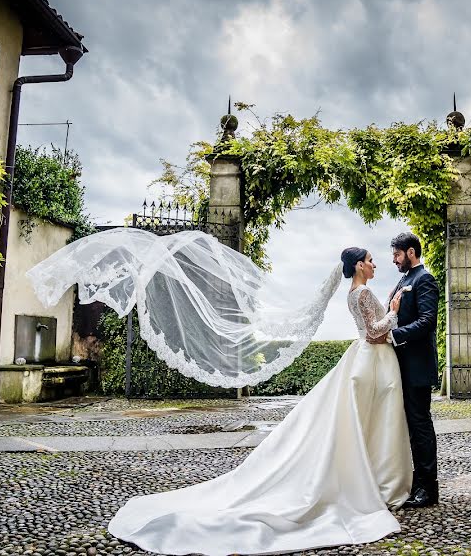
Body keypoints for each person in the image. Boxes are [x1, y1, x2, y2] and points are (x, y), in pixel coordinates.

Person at [105, 246, 414, 556]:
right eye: (371, 260)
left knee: (363, 424)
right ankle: (373, 484)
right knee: (370, 423)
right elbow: (373, 332)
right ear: (359, 265)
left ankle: (370, 478)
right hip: (371, 357)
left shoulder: (358, 291)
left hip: (368, 359)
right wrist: (394, 310)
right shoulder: (360, 293)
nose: (375, 265)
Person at [367, 232, 439, 508]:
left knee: (420, 425)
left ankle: (428, 489)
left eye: (397, 254)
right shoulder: (403, 280)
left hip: (417, 367)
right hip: (402, 366)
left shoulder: (424, 279)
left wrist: (393, 336)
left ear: (411, 252)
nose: (394, 260)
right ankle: (415, 483)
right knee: (410, 426)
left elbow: (428, 322)